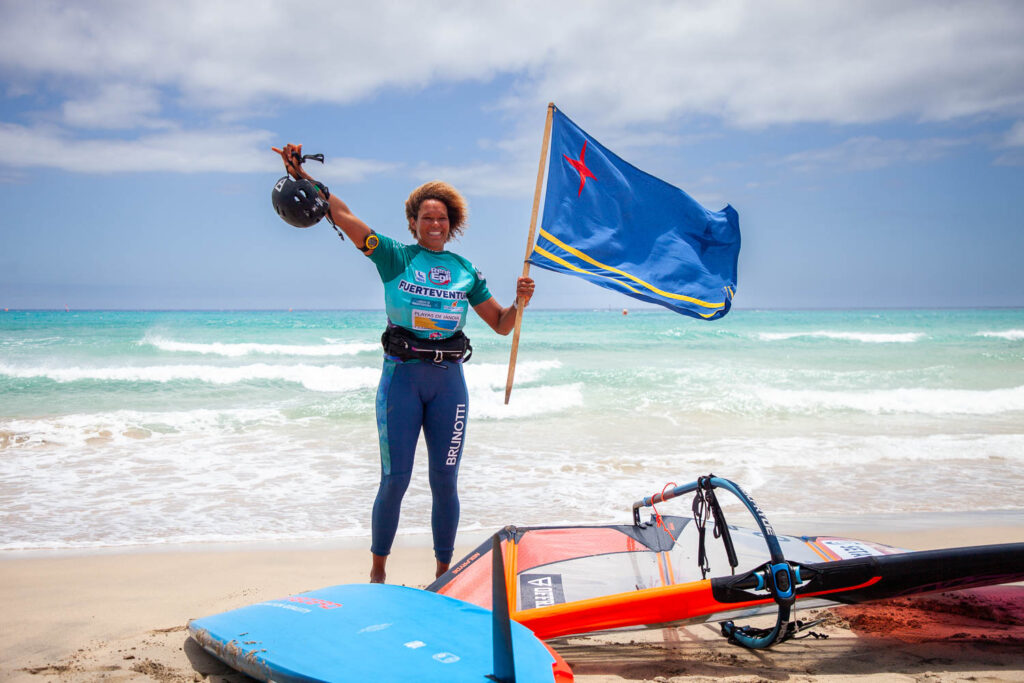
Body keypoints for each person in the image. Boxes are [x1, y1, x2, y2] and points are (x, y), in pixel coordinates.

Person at [272, 144, 536, 584]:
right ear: (413, 223)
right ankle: (378, 573)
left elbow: (501, 325)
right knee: (395, 479)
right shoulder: (394, 256)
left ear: (452, 224)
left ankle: (443, 575)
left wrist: (520, 302)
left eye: (442, 218)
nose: (435, 224)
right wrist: (306, 179)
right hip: (402, 380)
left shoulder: (466, 270)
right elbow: (345, 216)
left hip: (449, 383)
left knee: (445, 481)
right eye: (427, 218)